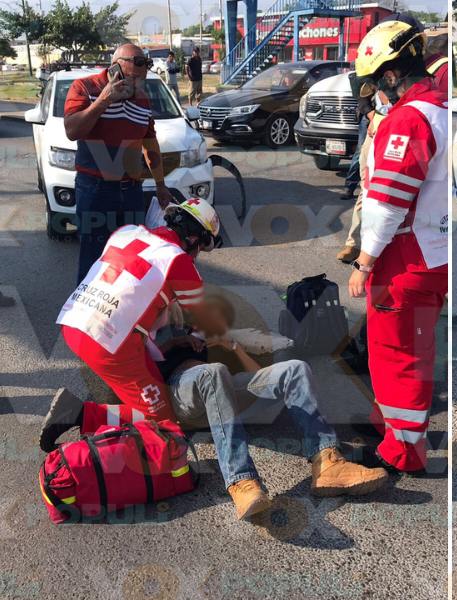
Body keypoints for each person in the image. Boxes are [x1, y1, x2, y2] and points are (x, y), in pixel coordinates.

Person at [43, 296, 388, 520]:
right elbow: (137, 380)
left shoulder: (198, 328)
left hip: (217, 386)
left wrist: (228, 344)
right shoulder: (141, 330)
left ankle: (327, 461)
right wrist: (175, 344)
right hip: (174, 392)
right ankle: (241, 481)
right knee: (212, 373)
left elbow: (253, 368)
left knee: (294, 369)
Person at [347, 20, 449, 473]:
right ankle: (390, 424)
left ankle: (403, 449)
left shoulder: (408, 119)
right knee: (413, 346)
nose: (374, 94)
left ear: (391, 75)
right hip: (434, 251)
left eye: (375, 84)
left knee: (397, 353)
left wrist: (364, 263)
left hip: (406, 256)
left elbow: (388, 202)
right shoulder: (442, 108)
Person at [46, 197, 226, 447]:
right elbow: (203, 318)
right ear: (195, 239)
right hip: (109, 343)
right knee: (164, 424)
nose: (198, 254)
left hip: (74, 321)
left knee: (151, 390)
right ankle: (81, 418)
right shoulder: (179, 262)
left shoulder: (126, 232)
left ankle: (79, 413)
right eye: (202, 248)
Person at [64, 43, 174, 282]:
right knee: (93, 260)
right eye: (132, 78)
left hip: (132, 191)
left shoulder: (142, 100)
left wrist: (160, 184)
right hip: (95, 191)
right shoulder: (84, 87)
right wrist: (104, 100)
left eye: (141, 80)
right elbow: (72, 131)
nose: (136, 85)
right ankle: (86, 306)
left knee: (131, 260)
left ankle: (122, 306)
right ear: (115, 68)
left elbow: (150, 144)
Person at [336, 90, 390, 264]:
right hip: (375, 129)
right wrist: (371, 114)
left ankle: (381, 249)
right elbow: (361, 90)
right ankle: (353, 244)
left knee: (391, 194)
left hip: (398, 134)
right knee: (366, 189)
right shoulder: (377, 79)